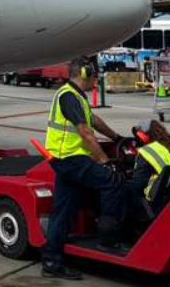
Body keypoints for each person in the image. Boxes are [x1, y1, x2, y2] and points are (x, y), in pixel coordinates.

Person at [41, 57, 126, 280]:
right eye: (94, 75)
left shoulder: (77, 96)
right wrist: (104, 161)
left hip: (65, 159)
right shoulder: (68, 96)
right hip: (72, 159)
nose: (96, 79)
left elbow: (93, 121)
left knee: (63, 211)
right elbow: (86, 133)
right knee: (113, 181)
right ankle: (108, 238)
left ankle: (51, 261)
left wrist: (117, 138)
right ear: (85, 73)